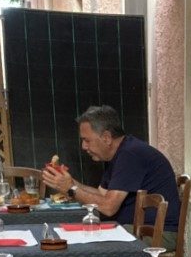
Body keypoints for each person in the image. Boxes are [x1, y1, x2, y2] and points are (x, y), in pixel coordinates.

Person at [40, 104, 182, 249]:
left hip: (159, 233)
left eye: (87, 140)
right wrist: (69, 182)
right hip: (132, 228)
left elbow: (108, 207)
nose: (83, 146)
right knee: (75, 234)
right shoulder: (118, 154)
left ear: (107, 138)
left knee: (86, 242)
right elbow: (101, 195)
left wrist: (71, 189)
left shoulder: (130, 154)